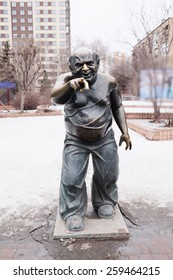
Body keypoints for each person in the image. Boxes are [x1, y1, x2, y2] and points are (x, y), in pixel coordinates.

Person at [51, 47, 132, 232]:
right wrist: (71, 86)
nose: (85, 68)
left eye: (90, 63)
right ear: (71, 66)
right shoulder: (65, 80)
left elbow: (117, 106)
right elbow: (55, 98)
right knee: (71, 178)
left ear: (98, 63)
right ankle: (72, 212)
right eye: (79, 65)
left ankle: (104, 201)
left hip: (104, 138)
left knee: (109, 174)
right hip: (75, 140)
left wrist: (125, 132)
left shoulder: (109, 82)